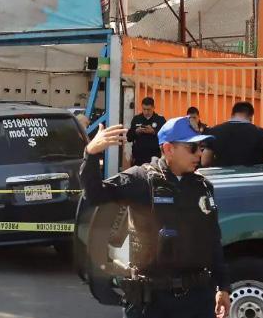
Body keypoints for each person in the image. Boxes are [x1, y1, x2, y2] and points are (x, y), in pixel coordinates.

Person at [81, 117, 230, 318]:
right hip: (151, 302)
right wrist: (91, 154)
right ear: (168, 149)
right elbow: (95, 195)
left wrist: (223, 287)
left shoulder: (202, 187)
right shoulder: (140, 179)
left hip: (197, 299)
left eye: (201, 147)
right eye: (192, 148)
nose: (199, 153)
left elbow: (213, 239)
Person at [202, 101, 263, 167]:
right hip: (252, 177)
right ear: (251, 116)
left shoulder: (214, 131)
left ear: (232, 114)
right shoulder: (262, 133)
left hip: (222, 178)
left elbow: (205, 162)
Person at [127, 97, 166, 166]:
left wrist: (153, 132)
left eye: (148, 109)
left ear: (153, 108)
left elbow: (165, 137)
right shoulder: (136, 119)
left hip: (154, 158)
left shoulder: (160, 119)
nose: (146, 112)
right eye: (144, 109)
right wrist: (136, 131)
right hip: (138, 158)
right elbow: (129, 138)